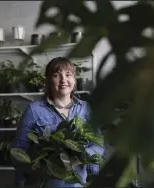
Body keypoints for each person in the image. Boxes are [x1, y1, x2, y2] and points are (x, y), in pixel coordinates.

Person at [12, 57, 104, 188]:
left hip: (78, 184)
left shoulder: (86, 108)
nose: (63, 80)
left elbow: (98, 145)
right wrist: (44, 166)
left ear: (74, 79)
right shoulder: (34, 110)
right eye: (56, 75)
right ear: (49, 80)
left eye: (68, 75)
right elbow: (18, 152)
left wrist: (79, 158)